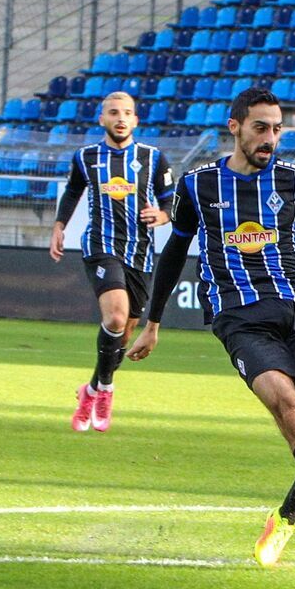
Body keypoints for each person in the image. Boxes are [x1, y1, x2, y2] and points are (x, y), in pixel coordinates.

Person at [128, 86, 295, 567]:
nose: (270, 138)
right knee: (288, 406)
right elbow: (175, 253)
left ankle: (284, 518)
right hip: (239, 320)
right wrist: (152, 322)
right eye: (260, 128)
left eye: (277, 129)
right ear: (235, 127)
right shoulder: (198, 186)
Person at [48, 91, 174, 432]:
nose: (120, 118)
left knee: (123, 333)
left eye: (127, 112)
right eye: (113, 112)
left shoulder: (153, 158)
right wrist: (59, 226)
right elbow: (73, 192)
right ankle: (106, 389)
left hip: (141, 252)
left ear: (135, 120)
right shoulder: (86, 157)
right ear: (101, 119)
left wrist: (162, 215)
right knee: (116, 317)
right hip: (101, 245)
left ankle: (90, 388)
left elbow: (170, 202)